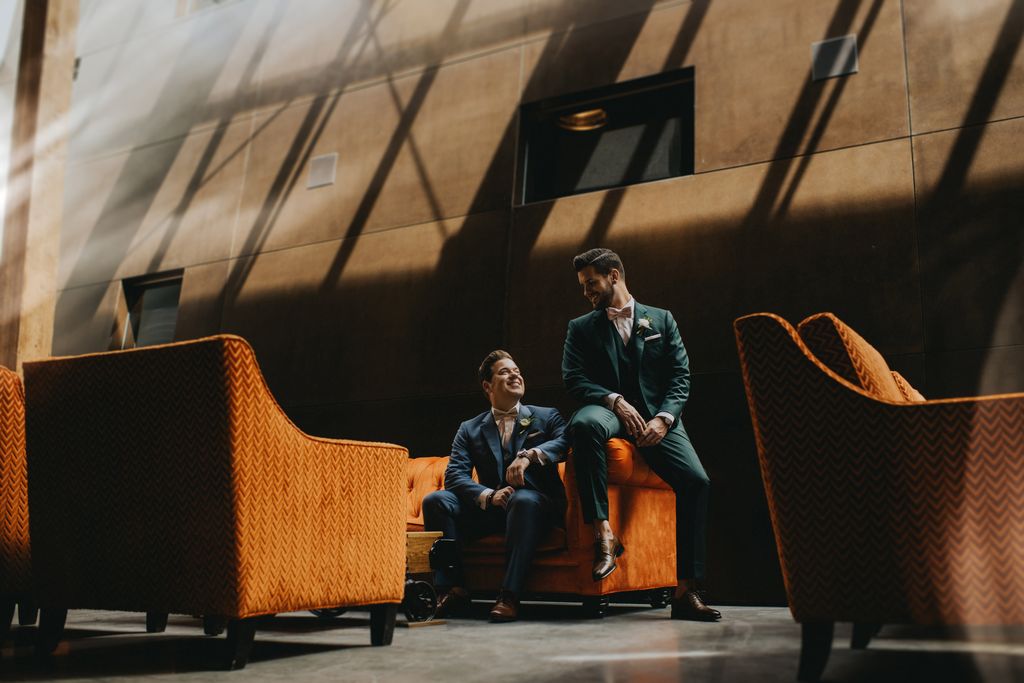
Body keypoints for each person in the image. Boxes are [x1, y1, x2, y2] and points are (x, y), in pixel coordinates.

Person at [561, 248, 721, 621]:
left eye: (592, 284)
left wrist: (664, 419)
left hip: (657, 419)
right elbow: (574, 378)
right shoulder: (580, 327)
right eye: (583, 286)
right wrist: (614, 401)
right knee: (584, 424)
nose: (587, 292)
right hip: (608, 411)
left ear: (614, 276)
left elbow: (680, 377)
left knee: (697, 482)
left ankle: (686, 591)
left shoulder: (662, 320)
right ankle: (604, 533)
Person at [423, 350, 569, 622]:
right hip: (493, 510)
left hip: (535, 507)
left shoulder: (547, 417)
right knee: (436, 500)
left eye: (517, 370)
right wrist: (489, 496)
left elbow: (564, 443)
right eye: (505, 372)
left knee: (523, 500)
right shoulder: (469, 428)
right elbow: (455, 474)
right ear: (488, 387)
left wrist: (528, 456)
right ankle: (452, 588)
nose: (515, 374)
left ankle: (509, 595)